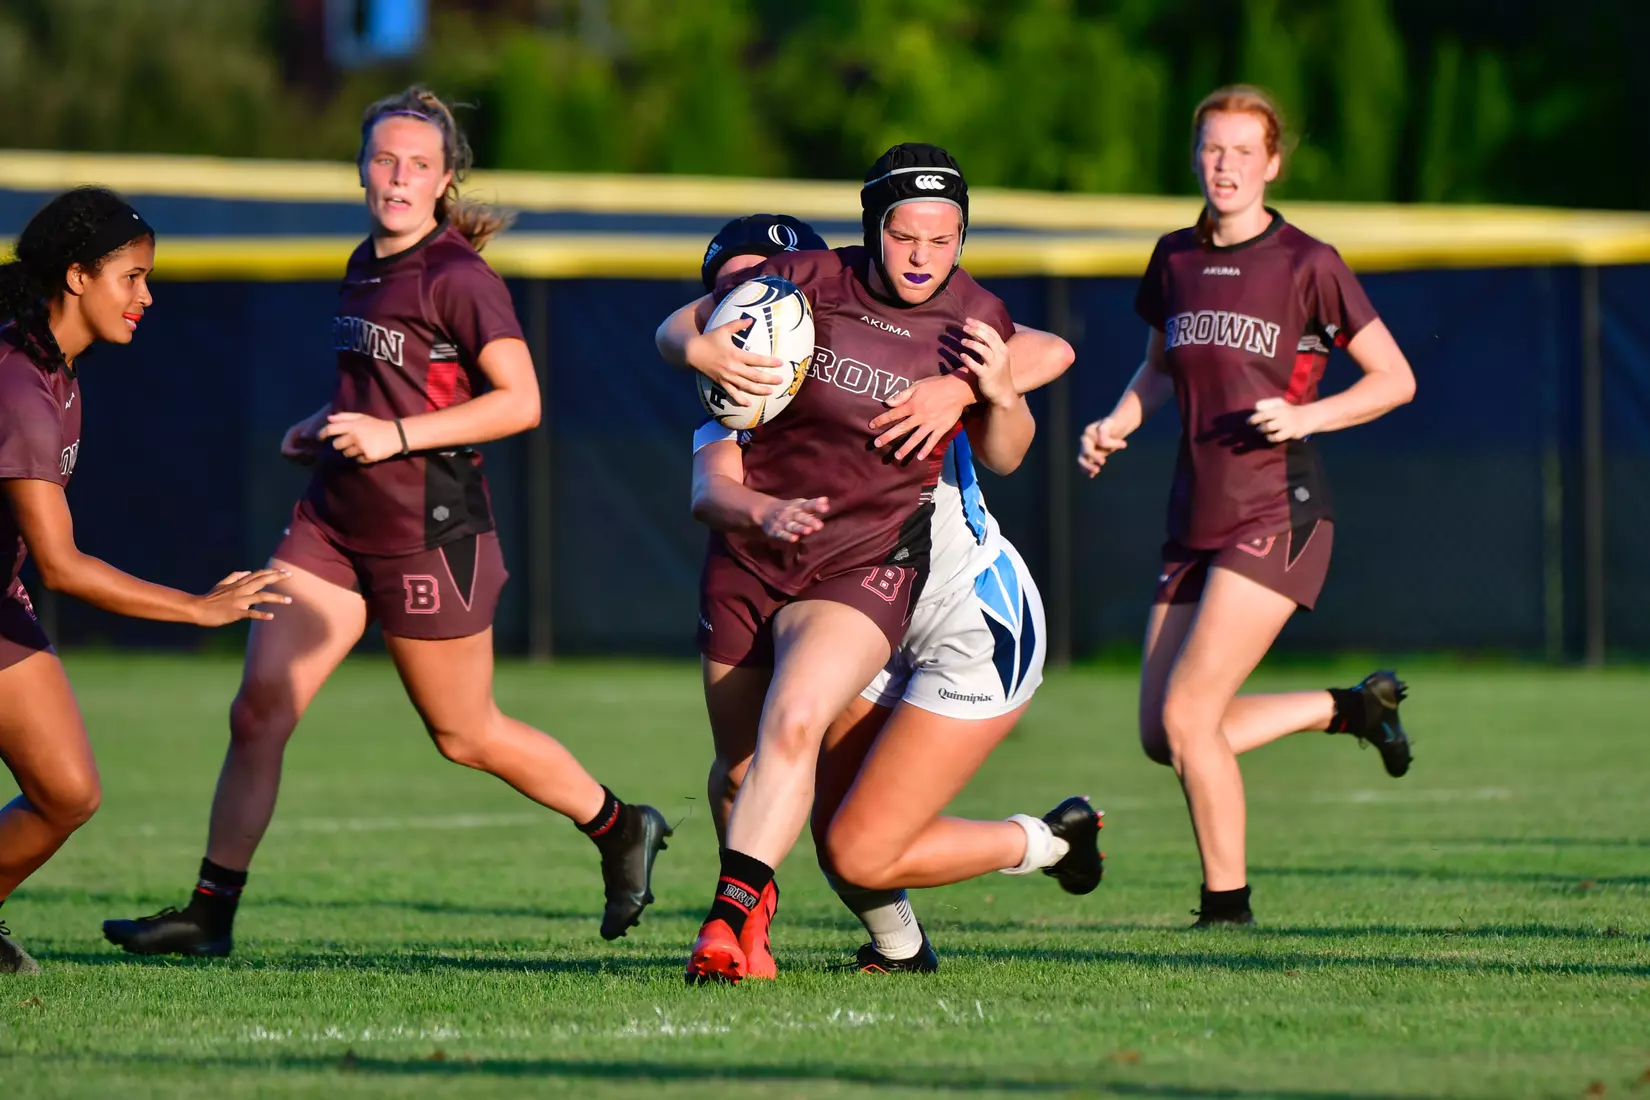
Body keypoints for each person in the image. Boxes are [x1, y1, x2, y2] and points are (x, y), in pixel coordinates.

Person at [102, 87, 669, 959]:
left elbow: (520, 402)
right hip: (331, 522)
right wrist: (322, 420)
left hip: (429, 534)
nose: (397, 178)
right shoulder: (365, 259)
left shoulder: (458, 276)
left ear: (446, 181)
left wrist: (392, 435)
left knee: (464, 734)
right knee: (259, 710)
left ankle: (619, 825)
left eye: (418, 166)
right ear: (363, 167)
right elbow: (384, 385)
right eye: (383, 160)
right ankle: (208, 915)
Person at [657, 145, 1099, 984]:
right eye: (905, 234)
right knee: (831, 829)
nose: (924, 254)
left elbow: (1041, 365)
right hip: (859, 590)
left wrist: (973, 391)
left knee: (856, 840)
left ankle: (1047, 840)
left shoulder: (955, 314)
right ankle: (887, 948)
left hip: (966, 611)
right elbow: (698, 424)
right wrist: (700, 350)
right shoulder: (762, 363)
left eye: (944, 237)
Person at [1077, 86, 1417, 927]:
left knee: (1192, 718)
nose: (1225, 165)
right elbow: (1160, 367)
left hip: (1282, 512)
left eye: (1242, 151)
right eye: (1212, 148)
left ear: (1271, 163)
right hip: (1194, 516)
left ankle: (1226, 910)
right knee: (1167, 734)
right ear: (1196, 156)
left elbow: (1395, 380)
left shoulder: (1308, 261)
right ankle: (1348, 709)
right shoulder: (1175, 258)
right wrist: (1117, 422)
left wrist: (1307, 414)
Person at [0, 187, 288, 974]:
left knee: (67, 792)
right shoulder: (19, 386)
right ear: (76, 276)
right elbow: (61, 564)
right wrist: (197, 609)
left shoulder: (57, 375)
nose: (146, 295)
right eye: (131, 277)